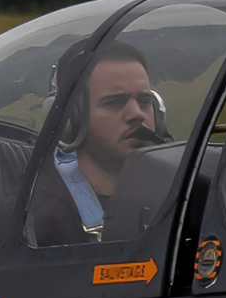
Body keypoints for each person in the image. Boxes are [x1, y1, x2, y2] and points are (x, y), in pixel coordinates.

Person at [43, 46, 164, 239]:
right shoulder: (37, 222)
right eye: (114, 102)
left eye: (144, 101)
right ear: (71, 119)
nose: (137, 114)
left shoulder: (184, 193)